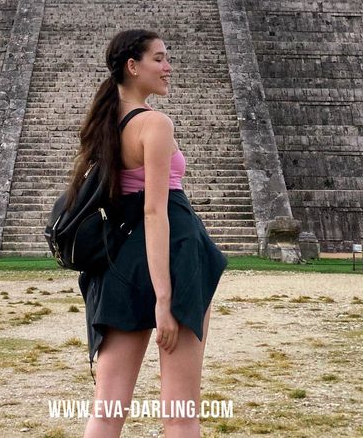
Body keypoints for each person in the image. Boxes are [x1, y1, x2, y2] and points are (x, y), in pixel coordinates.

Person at [67, 29, 228, 437]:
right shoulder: (154, 123)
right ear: (132, 66)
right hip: (174, 258)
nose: (168, 66)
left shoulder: (105, 125)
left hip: (121, 261)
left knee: (106, 410)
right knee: (179, 412)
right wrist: (164, 298)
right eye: (159, 58)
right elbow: (156, 212)